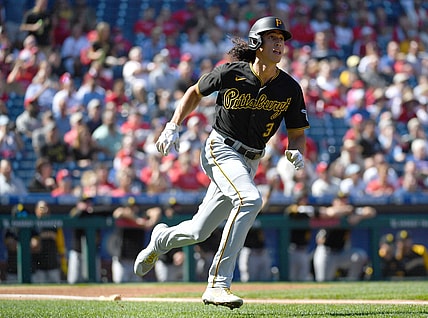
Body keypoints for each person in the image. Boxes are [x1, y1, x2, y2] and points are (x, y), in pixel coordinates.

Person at [134, 16, 308, 309]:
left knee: (198, 231)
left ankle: (160, 239)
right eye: (272, 37)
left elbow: (297, 133)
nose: (279, 43)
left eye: (282, 39)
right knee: (250, 200)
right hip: (220, 149)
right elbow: (194, 92)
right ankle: (218, 283)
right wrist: (173, 125)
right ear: (257, 43)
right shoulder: (231, 72)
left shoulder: (289, 88)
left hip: (249, 161)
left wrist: (295, 150)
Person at [312, 191, 376, 282]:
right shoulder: (330, 210)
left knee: (359, 256)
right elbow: (331, 212)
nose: (343, 202)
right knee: (323, 282)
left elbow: (371, 211)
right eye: (340, 200)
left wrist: (359, 216)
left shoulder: (351, 211)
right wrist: (348, 210)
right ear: (334, 202)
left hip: (341, 253)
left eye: (345, 200)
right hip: (326, 253)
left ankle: (351, 282)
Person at [109, 197, 161, 283]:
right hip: (122, 259)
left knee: (136, 286)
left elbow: (157, 211)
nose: (133, 209)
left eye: (134, 207)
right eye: (130, 207)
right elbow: (118, 213)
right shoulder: (124, 217)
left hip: (136, 259)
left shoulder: (141, 216)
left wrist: (150, 222)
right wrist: (137, 221)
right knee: (120, 283)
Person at [32, 200, 67, 283]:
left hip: (53, 264)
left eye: (45, 207)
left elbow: (60, 243)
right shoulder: (33, 224)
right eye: (41, 207)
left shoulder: (54, 224)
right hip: (38, 265)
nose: (44, 210)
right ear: (36, 210)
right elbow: (33, 243)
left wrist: (63, 263)